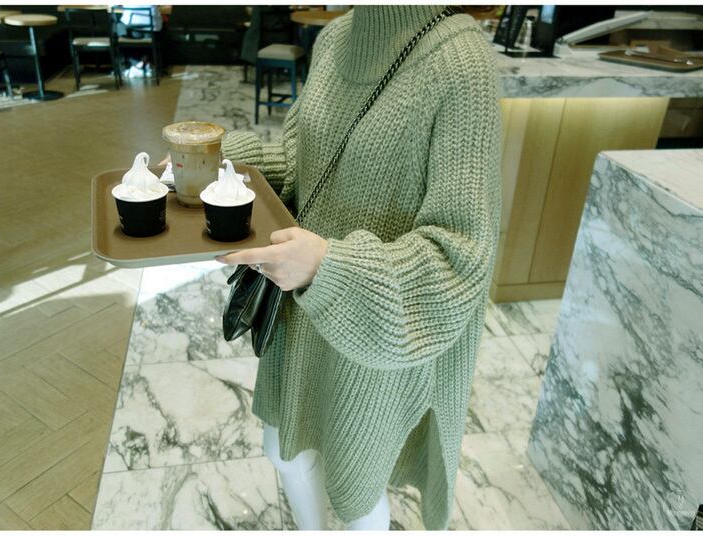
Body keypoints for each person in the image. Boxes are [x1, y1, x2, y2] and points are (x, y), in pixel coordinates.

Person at [213, 5, 501, 530]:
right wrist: (222, 166)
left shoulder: (462, 64)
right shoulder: (336, 38)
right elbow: (302, 162)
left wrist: (331, 268)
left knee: (355, 488)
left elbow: (459, 254)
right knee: (285, 450)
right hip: (301, 309)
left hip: (376, 322)